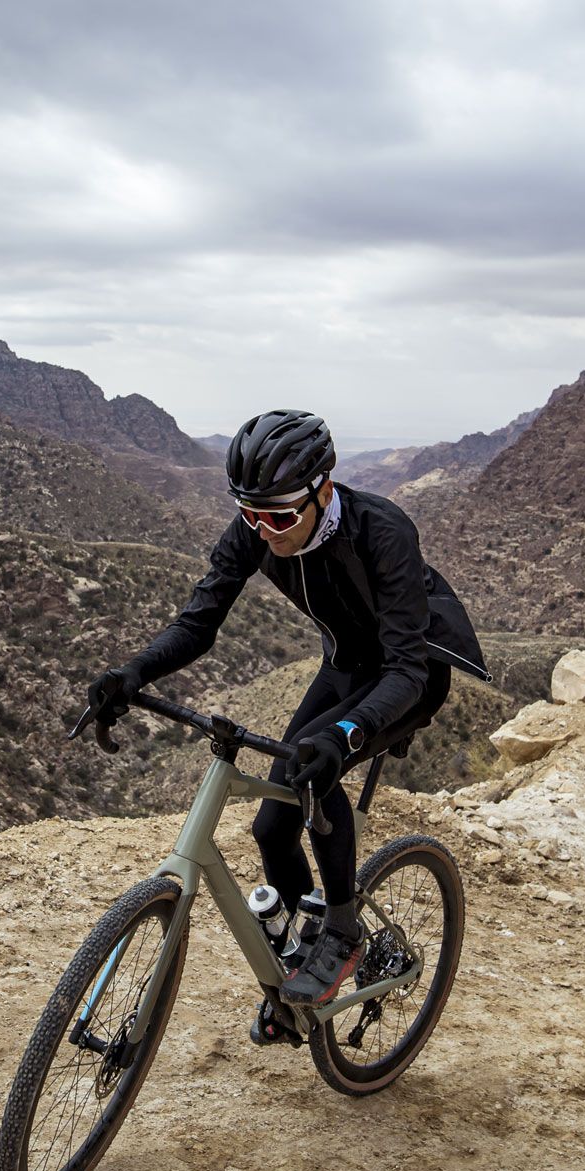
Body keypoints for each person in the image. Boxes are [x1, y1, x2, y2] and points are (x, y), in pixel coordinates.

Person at [87, 409, 489, 1021]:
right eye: (251, 514)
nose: (265, 530)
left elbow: (407, 669)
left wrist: (344, 735)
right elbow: (199, 622)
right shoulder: (258, 526)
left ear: (323, 489)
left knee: (316, 773)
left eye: (279, 515)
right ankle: (302, 959)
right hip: (346, 665)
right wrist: (133, 673)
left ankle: (344, 932)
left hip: (409, 677)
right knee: (272, 827)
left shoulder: (382, 531)